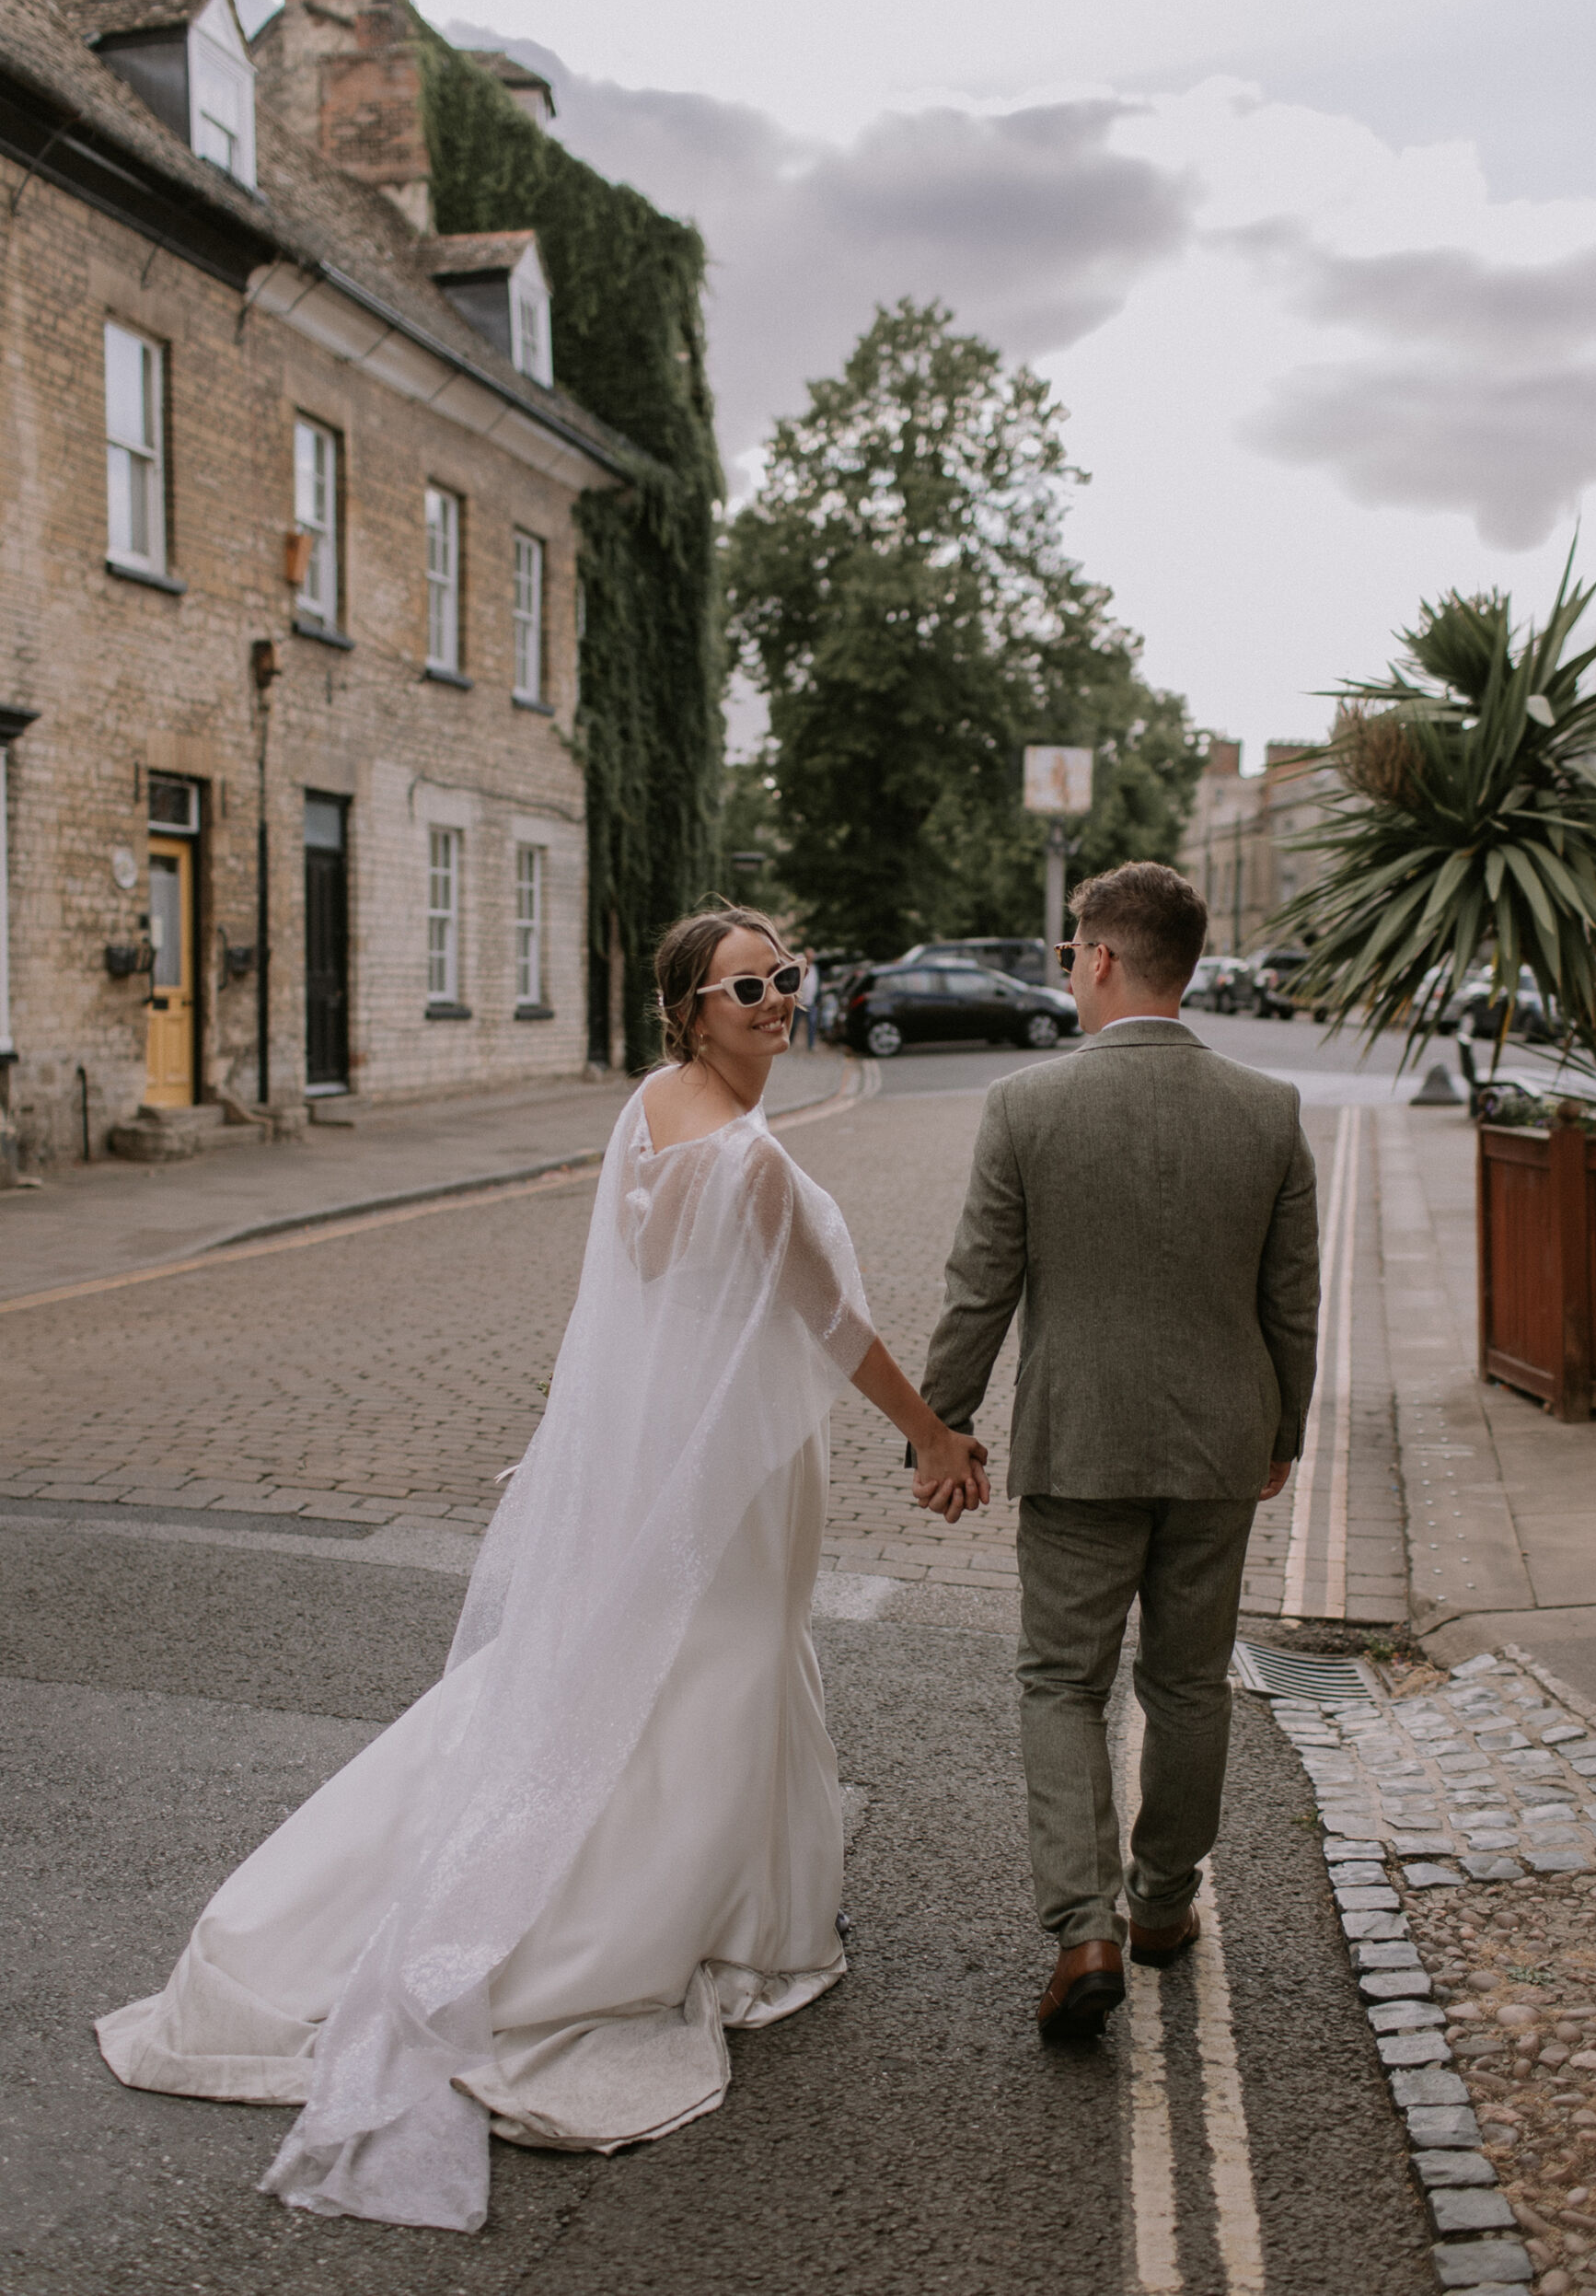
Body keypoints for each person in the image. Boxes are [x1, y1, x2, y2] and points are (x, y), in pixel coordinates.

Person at [96, 906, 985, 2233]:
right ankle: (629, 1928)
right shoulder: (740, 1155)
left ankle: (710, 1895)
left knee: (621, 1672)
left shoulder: (645, 1110)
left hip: (651, 1454)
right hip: (712, 1474)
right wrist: (932, 1437)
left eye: (790, 977)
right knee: (716, 1678)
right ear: (690, 1006)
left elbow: (643, 1297)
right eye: (751, 985)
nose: (780, 1000)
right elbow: (831, 1322)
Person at [910, 862, 1320, 2041]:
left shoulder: (1025, 1105)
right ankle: (1161, 1905)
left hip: (1078, 1443)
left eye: (1068, 954)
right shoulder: (1268, 1108)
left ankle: (1081, 1927)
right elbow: (1293, 1299)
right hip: (1219, 1445)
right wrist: (1283, 1428)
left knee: (1061, 1682)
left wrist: (942, 1431)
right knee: (1189, 1682)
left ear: (1098, 958)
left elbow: (978, 1288)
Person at [791, 947, 820, 1051]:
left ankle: (811, 1045)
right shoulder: (800, 967)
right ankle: (790, 1041)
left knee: (812, 1024)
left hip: (811, 1002)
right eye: (808, 956)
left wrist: (817, 998)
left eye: (811, 957)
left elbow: (817, 984)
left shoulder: (815, 969)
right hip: (799, 1001)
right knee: (794, 1023)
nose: (810, 959)